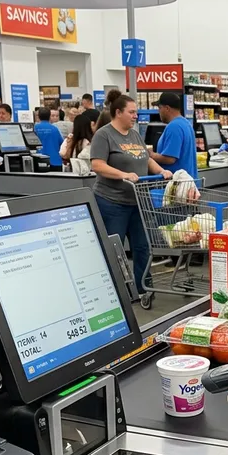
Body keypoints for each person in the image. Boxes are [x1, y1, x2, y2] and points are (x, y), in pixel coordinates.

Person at [90, 90, 172, 302]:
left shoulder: (135, 135)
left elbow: (145, 158)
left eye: (136, 112)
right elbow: (97, 165)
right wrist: (123, 174)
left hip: (138, 202)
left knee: (142, 247)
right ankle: (116, 293)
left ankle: (144, 288)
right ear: (118, 112)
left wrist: (161, 171)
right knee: (115, 249)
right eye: (132, 112)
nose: (136, 116)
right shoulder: (104, 135)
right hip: (111, 202)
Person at [148, 92, 198, 178]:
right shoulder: (186, 123)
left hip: (177, 182)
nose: (158, 111)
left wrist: (150, 155)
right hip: (188, 180)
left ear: (167, 108)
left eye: (159, 108)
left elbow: (169, 159)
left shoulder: (174, 126)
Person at [61, 110, 99, 175]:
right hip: (89, 172)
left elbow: (62, 153)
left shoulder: (70, 139)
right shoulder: (91, 141)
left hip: (73, 170)